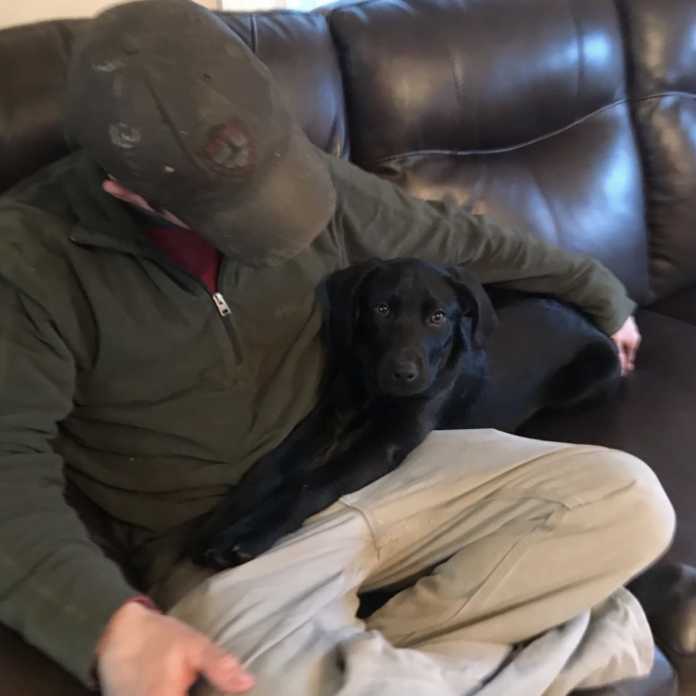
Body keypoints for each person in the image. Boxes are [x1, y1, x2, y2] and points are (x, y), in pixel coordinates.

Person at [0, 1, 676, 695]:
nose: (274, 210)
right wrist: (110, 625)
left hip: (373, 460)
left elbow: (456, 239)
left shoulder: (293, 165)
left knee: (630, 500)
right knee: (263, 678)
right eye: (235, 207)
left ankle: (374, 661)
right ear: (121, 185)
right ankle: (594, 639)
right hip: (226, 544)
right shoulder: (27, 259)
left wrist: (599, 290)